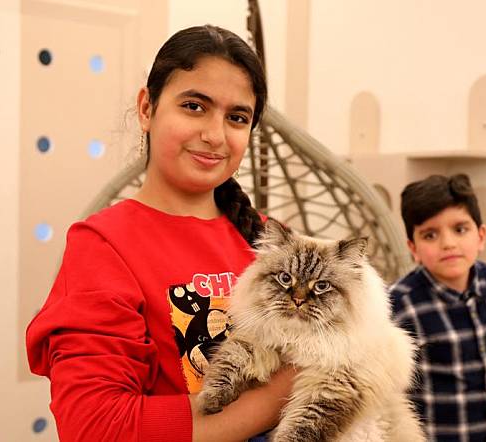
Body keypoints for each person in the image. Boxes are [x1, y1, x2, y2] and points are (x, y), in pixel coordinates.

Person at [26, 25, 295, 442]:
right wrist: (273, 398)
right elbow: (96, 428)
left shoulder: (269, 240)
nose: (215, 135)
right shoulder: (103, 245)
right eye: (194, 106)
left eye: (237, 117)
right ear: (147, 108)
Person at [389, 173, 486, 442]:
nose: (448, 243)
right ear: (413, 248)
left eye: (460, 229)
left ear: (481, 236)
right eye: (430, 235)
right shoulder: (399, 303)